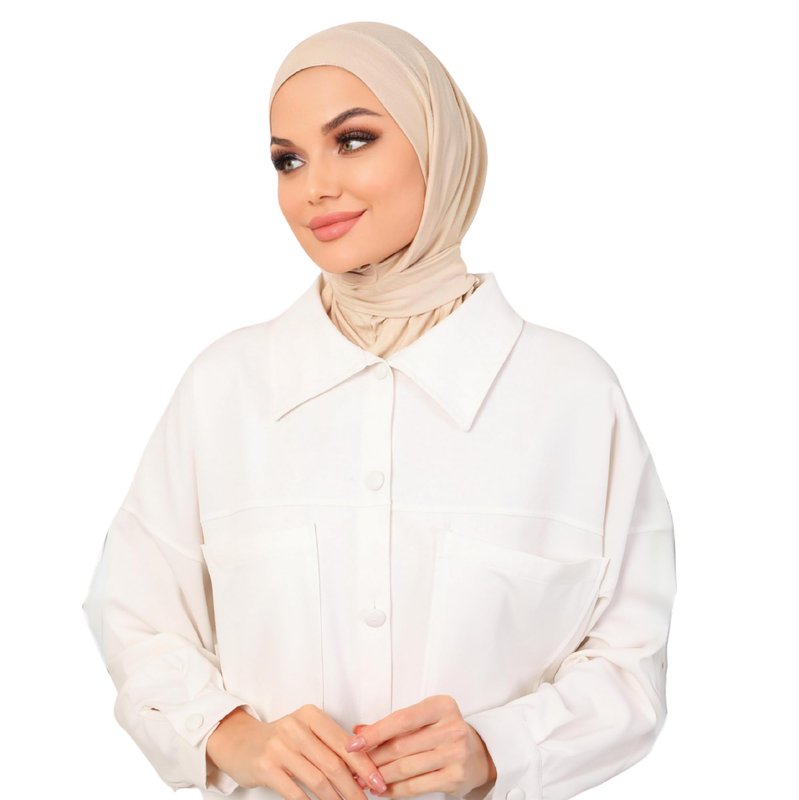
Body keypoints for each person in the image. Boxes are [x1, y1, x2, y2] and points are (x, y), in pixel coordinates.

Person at [82, 20, 677, 800]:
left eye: (353, 141)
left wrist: (494, 749)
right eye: (288, 159)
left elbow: (631, 663)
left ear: (437, 144)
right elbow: (134, 614)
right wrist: (234, 736)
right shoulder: (224, 388)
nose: (314, 188)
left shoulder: (571, 395)